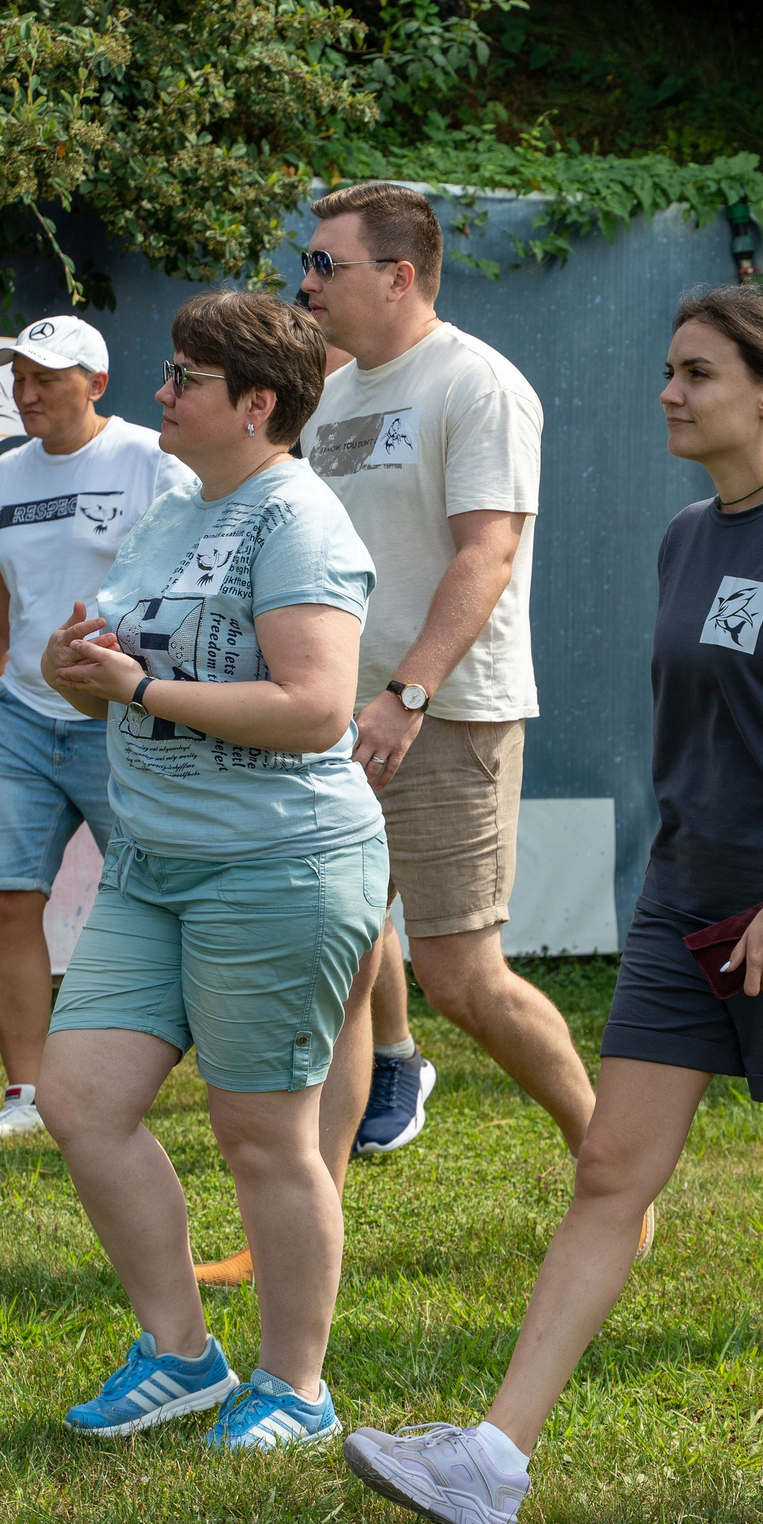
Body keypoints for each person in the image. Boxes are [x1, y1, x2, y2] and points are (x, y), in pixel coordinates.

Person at [341, 286, 763, 1524]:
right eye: (666, 368)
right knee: (610, 1169)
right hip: (683, 899)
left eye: (696, 373)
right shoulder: (686, 537)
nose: (668, 391)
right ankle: (492, 1463)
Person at [194, 180, 612, 1288]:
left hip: (443, 714)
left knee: (462, 978)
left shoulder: (477, 384)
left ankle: (614, 1168)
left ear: (401, 276)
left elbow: (488, 553)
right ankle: (300, 1225)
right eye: (308, 262)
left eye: (326, 264)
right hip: (330, 717)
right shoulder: (324, 392)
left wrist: (410, 694)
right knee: (328, 974)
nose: (306, 283)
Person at [33, 290, 386, 1453]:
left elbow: (315, 707)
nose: (159, 395)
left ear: (256, 404)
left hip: (276, 867)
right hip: (154, 867)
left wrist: (135, 690)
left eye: (183, 379)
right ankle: (180, 1357)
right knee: (80, 1101)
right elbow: (129, 644)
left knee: (262, 1139)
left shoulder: (298, 520)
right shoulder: (180, 507)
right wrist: (75, 658)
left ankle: (295, 1387)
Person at [0, 316, 193, 1143]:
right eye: (17, 376)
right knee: (5, 899)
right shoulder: (4, 472)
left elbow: (180, 592)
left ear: (95, 383)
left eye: (44, 379)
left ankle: (151, 1077)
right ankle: (27, 1095)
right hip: (20, 716)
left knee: (157, 895)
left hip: (117, 714)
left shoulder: (150, 459)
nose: (24, 394)